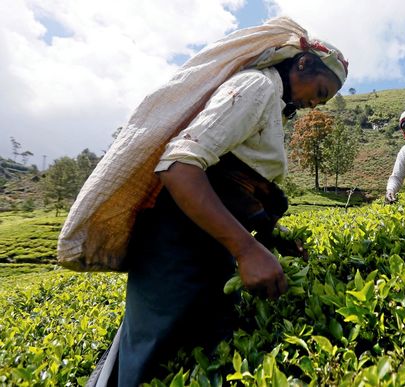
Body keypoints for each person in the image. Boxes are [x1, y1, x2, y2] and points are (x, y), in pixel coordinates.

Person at [83, 17, 348, 386]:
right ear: (302, 64)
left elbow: (231, 183)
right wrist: (246, 250)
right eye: (318, 92)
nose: (313, 105)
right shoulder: (256, 86)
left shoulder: (270, 100)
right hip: (177, 243)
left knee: (191, 351)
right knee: (152, 354)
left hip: (206, 243)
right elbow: (179, 167)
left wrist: (268, 237)